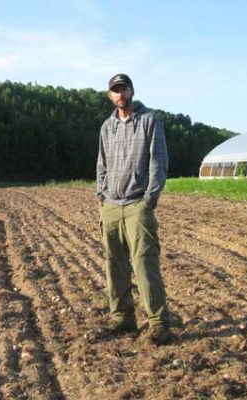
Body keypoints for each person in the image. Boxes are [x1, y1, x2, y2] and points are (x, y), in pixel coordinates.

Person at [96, 73, 171, 345]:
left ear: (132, 90)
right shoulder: (107, 127)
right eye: (115, 90)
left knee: (144, 264)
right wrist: (101, 196)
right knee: (114, 264)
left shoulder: (149, 120)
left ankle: (159, 324)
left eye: (123, 88)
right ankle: (122, 318)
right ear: (110, 95)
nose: (120, 94)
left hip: (138, 205)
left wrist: (149, 200)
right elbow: (101, 164)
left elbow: (158, 163)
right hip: (111, 206)